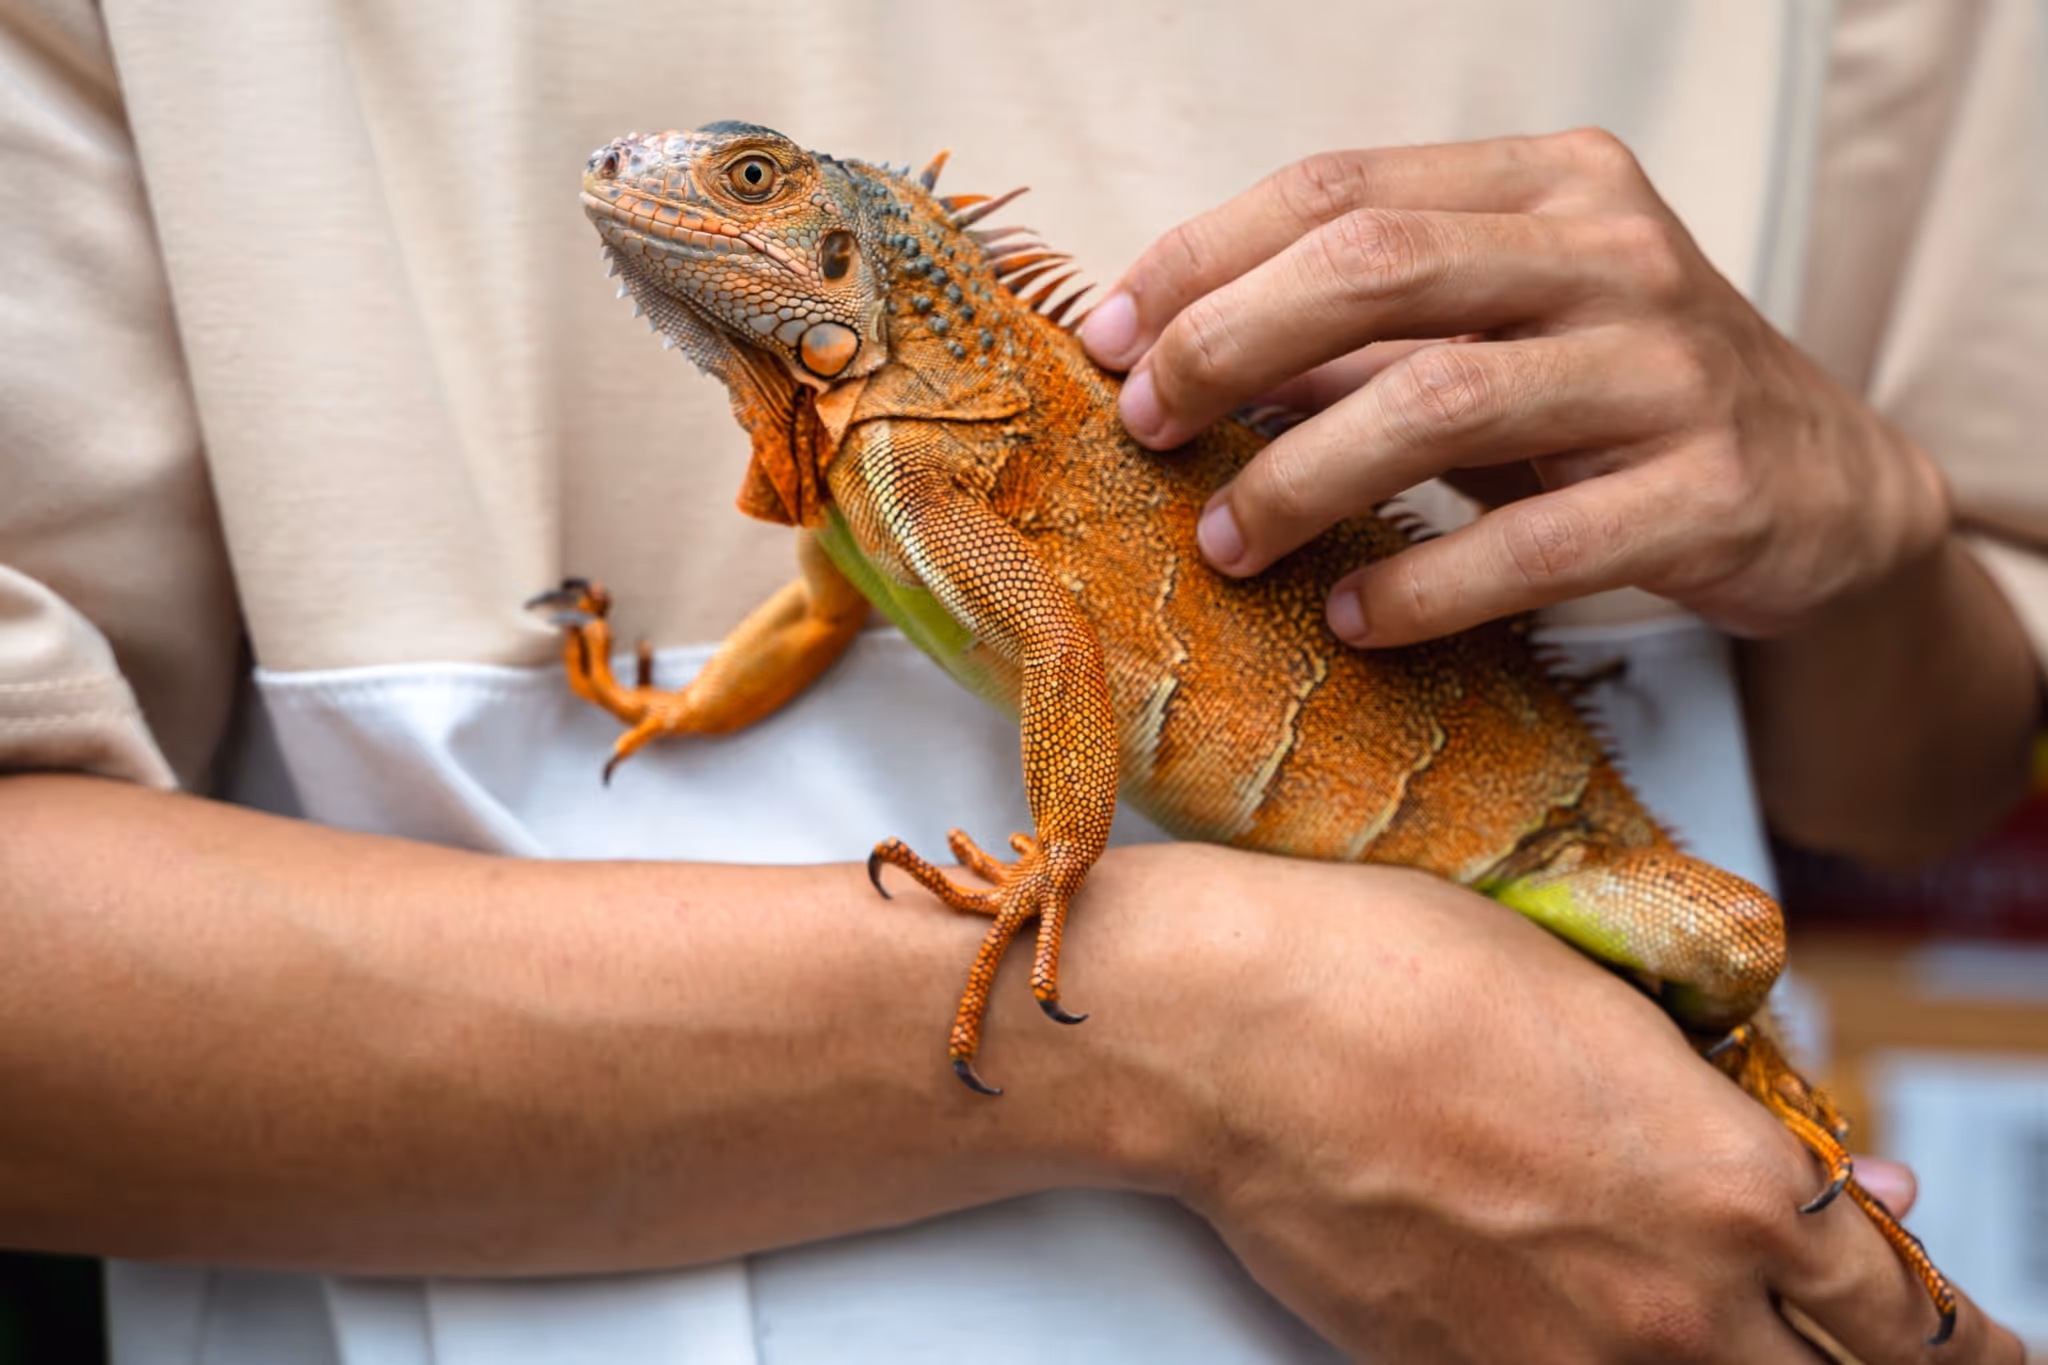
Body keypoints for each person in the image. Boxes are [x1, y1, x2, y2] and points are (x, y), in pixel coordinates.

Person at [0, 1, 2038, 1362]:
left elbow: (1923, 780)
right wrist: (1162, 1020)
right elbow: (832, 614)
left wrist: (1870, 526)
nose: (667, 188)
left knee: (1723, 936)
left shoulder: (931, 457)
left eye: (745, 185)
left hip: (1629, 1158)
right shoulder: (893, 466)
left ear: (848, 258)